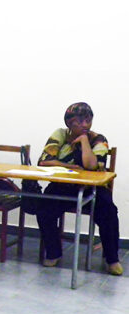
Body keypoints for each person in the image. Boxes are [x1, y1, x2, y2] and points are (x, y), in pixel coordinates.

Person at [36, 102, 123, 276]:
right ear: (69, 123)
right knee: (44, 207)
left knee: (109, 212)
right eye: (79, 122)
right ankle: (53, 252)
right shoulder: (60, 134)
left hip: (92, 188)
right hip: (62, 185)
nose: (84, 126)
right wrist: (71, 167)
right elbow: (44, 161)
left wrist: (84, 141)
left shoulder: (98, 139)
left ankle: (112, 259)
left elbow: (92, 166)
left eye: (88, 121)